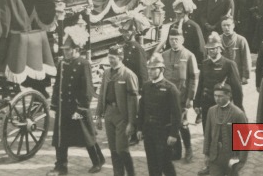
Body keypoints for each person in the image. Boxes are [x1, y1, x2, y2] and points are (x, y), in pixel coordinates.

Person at [49, 26, 105, 176]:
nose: (65, 52)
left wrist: (80, 109)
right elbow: (57, 86)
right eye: (64, 49)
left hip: (78, 108)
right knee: (60, 138)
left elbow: (87, 89)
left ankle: (98, 161)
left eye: (68, 49)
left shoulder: (83, 64)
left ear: (76, 49)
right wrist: (53, 105)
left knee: (87, 136)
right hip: (63, 108)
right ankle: (61, 166)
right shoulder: (62, 64)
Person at [193, 32, 243, 176]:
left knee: (223, 136)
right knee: (208, 135)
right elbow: (201, 84)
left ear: (220, 48)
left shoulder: (228, 64)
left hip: (223, 106)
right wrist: (197, 102)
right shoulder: (205, 63)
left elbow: (237, 89)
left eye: (214, 48)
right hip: (207, 105)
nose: (212, 51)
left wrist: (239, 108)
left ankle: (229, 164)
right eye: (209, 48)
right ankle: (209, 165)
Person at [95, 46, 138, 176]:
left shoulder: (128, 75)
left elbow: (133, 100)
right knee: (113, 149)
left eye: (113, 58)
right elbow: (102, 94)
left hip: (122, 116)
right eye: (109, 58)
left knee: (122, 149)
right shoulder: (107, 73)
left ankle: (131, 174)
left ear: (120, 58)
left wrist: (132, 122)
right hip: (109, 113)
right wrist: (98, 115)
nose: (110, 60)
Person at [160, 25, 199, 164]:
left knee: (183, 124)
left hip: (182, 97)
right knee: (170, 123)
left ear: (182, 39)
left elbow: (194, 78)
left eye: (176, 39)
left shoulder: (189, 55)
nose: (174, 42)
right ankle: (176, 152)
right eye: (171, 39)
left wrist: (190, 98)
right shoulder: (164, 55)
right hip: (167, 97)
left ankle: (188, 149)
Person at [138, 53, 181, 176]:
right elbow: (141, 109)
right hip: (149, 131)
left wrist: (173, 134)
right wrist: (139, 128)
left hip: (163, 132)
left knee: (165, 163)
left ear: (161, 69)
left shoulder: (170, 89)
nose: (150, 72)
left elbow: (177, 114)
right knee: (152, 164)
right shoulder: (146, 86)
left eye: (153, 69)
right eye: (149, 69)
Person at [203, 84, 248, 176]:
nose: (217, 99)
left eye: (220, 96)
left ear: (229, 95)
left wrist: (241, 160)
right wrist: (206, 153)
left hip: (231, 158)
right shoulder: (211, 111)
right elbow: (207, 134)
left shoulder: (238, 114)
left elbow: (245, 139)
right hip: (215, 156)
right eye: (215, 95)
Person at [219, 17, 251, 84]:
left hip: (236, 74)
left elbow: (246, 58)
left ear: (233, 25)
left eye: (228, 25)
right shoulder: (218, 39)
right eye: (224, 25)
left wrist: (245, 76)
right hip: (221, 75)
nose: (226, 28)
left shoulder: (241, 40)